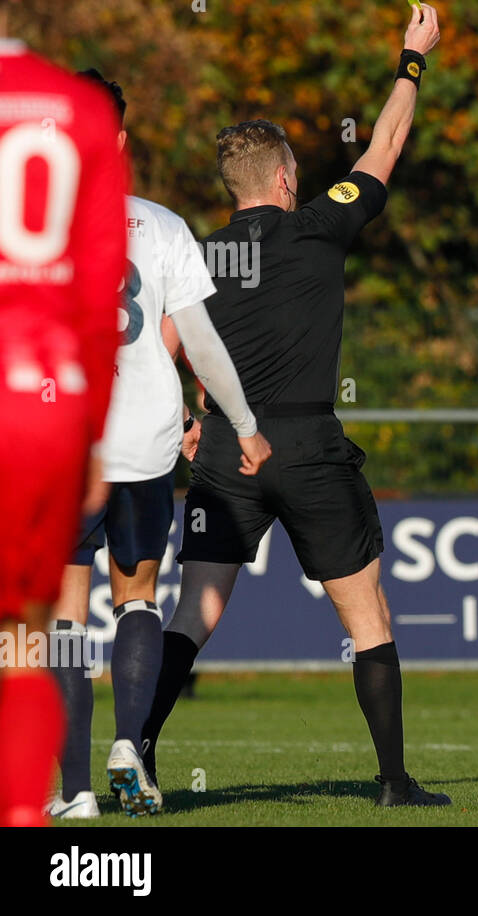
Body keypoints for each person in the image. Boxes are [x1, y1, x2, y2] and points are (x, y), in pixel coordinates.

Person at [139, 2, 446, 807]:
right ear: (283, 179)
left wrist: (182, 424)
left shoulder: (198, 255)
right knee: (365, 615)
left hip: (223, 456)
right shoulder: (317, 229)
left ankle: (135, 751)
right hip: (307, 447)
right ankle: (392, 782)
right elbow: (385, 145)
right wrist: (412, 57)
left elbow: (161, 349)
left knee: (193, 615)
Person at [45, 71, 271, 820]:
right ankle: (127, 744)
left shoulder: (23, 224)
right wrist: (243, 424)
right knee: (138, 598)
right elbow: (202, 345)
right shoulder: (162, 224)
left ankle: (75, 793)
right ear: (120, 141)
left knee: (64, 621)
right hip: (144, 443)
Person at [0, 0, 128, 827]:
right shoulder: (79, 111)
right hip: (41, 401)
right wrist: (90, 439)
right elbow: (96, 301)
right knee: (22, 638)